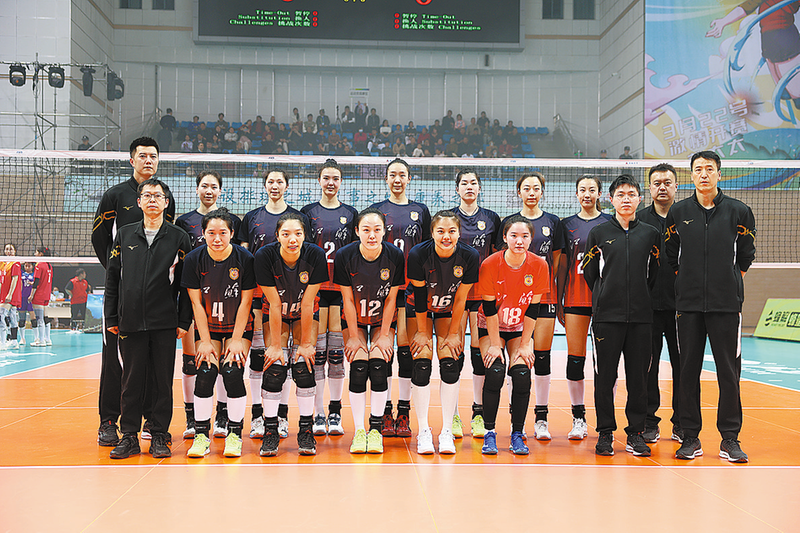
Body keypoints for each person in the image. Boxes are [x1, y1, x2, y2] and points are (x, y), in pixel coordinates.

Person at [666, 150, 756, 463]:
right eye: (698, 169)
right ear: (691, 175)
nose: (703, 174)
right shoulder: (678, 212)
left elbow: (745, 256)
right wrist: (689, 283)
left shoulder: (739, 212)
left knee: (728, 373)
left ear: (719, 173)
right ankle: (690, 437)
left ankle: (730, 439)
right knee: (687, 372)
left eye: (709, 169)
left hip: (726, 307)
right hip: (688, 307)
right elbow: (671, 255)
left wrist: (726, 283)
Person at [92, 136, 176, 447]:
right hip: (124, 296)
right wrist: (121, 276)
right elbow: (100, 238)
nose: (148, 160)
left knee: (153, 361)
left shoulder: (165, 196)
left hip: (156, 299)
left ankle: (151, 423)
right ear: (132, 160)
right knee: (115, 359)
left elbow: (168, 241)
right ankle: (108, 421)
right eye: (142, 156)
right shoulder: (115, 196)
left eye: (153, 156)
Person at [105, 178, 192, 459]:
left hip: (164, 322)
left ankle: (159, 434)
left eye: (158, 195)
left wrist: (183, 321)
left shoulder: (179, 237)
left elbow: (186, 284)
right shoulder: (125, 235)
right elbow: (113, 278)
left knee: (161, 381)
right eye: (147, 195)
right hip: (130, 321)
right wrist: (111, 315)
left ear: (166, 203)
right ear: (139, 202)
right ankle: (129, 435)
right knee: (130, 380)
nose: (152, 199)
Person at [582, 175, 661, 457]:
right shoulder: (598, 233)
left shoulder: (651, 234)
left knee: (639, 379)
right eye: (620, 195)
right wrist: (605, 296)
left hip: (641, 318)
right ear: (611, 199)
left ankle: (636, 433)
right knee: (605, 378)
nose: (626, 199)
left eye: (631, 194)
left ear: (640, 199)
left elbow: (654, 274)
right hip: (607, 318)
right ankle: (605, 432)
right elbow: (591, 273)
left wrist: (640, 297)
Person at [238, 169, 311, 440]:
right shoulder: (252, 217)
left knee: (287, 359)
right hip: (261, 295)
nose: (275, 185)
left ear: (287, 186)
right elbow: (244, 253)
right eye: (270, 181)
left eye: (280, 181)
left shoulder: (298, 218)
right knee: (262, 357)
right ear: (265, 185)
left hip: (292, 295)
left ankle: (281, 415)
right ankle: (258, 415)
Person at [183, 209, 256, 458]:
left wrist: (236, 340)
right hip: (209, 327)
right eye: (211, 233)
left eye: (223, 233)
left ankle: (234, 435)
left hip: (238, 326)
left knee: (232, 372)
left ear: (232, 233)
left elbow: (246, 302)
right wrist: (204, 341)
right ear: (203, 233)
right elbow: (196, 303)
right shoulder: (194, 259)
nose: (217, 238)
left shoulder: (245, 258)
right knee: (204, 373)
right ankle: (201, 435)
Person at [175, 170, 243, 440]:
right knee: (194, 362)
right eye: (204, 186)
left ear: (220, 191)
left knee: (229, 366)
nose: (209, 190)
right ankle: (192, 417)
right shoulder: (184, 222)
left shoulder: (232, 222)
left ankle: (224, 415)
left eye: (214, 186)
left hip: (227, 297)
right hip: (194, 295)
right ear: (197, 189)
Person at [254, 213, 328, 456]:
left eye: (297, 234)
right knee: (274, 367)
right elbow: (274, 304)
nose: (292, 239)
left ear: (305, 236)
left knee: (305, 365)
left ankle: (306, 430)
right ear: (277, 236)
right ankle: (271, 431)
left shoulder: (315, 255)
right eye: (286, 234)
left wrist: (306, 344)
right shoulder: (265, 256)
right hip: (276, 311)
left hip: (303, 311)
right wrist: (275, 346)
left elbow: (307, 303)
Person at [407, 211, 479, 455]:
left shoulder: (469, 256)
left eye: (451, 231)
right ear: (432, 233)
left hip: (448, 308)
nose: (446, 236)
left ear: (459, 233)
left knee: (450, 362)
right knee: (422, 361)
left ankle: (447, 429)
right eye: (440, 231)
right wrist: (422, 332)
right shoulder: (418, 254)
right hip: (420, 308)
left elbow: (461, 299)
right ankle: (423, 430)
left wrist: (454, 333)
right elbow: (419, 297)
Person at [334, 208, 405, 453]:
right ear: (357, 231)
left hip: (380, 319)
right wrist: (354, 337)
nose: (371, 235)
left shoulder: (394, 255)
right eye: (366, 230)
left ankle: (375, 429)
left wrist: (384, 336)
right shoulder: (345, 255)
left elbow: (392, 299)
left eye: (377, 230)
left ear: (385, 232)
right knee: (358, 367)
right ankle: (359, 431)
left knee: (378, 365)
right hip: (354, 317)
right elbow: (347, 299)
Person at [370, 158, 432, 438]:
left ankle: (403, 413)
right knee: (383, 352)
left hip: (411, 290)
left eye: (402, 175)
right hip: (382, 290)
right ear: (386, 179)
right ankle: (384, 412)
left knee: (407, 354)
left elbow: (428, 249)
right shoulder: (376, 211)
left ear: (409, 179)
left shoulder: (421, 211)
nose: (397, 179)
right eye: (392, 175)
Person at [477, 216, 549, 455]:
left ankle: (517, 433)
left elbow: (534, 309)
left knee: (521, 374)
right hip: (492, 326)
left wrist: (526, 344)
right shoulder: (490, 264)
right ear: (505, 237)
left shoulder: (539, 265)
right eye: (514, 236)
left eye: (525, 236)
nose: (519, 241)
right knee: (495, 371)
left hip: (519, 328)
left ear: (531, 238)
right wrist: (495, 344)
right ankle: (489, 432)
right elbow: (489, 309)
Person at [501, 173, 565, 441]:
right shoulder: (509, 222)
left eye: (536, 188)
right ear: (519, 192)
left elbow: (557, 262)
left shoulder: (553, 222)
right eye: (526, 188)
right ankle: (515, 417)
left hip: (544, 298)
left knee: (541, 355)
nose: (531, 192)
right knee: (517, 359)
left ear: (542, 192)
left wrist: (550, 291)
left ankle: (541, 417)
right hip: (515, 301)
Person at [301, 159, 358, 437]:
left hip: (341, 289)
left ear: (341, 182)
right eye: (326, 178)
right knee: (317, 354)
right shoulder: (307, 212)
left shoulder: (351, 213)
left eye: (335, 178)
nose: (331, 182)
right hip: (315, 288)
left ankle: (335, 411)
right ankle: (318, 412)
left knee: (336, 354)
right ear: (319, 181)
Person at [557, 175, 613, 441]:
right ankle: (578, 417)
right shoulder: (566, 225)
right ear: (576, 194)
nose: (587, 194)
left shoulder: (611, 222)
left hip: (605, 301)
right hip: (575, 299)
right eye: (582, 189)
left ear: (600, 194)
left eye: (592, 189)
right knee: (575, 359)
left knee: (605, 363)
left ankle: (606, 420)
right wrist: (559, 299)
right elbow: (562, 266)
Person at [452, 169, 502, 438]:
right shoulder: (449, 217)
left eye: (473, 183)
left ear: (479, 188)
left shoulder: (491, 218)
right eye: (464, 183)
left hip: (483, 295)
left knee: (478, 354)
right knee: (454, 352)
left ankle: (478, 412)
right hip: (455, 293)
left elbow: (497, 258)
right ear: (457, 189)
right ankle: (453, 413)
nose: (469, 186)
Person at [637, 163, 682, 443]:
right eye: (657, 183)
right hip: (648, 308)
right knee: (647, 368)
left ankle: (682, 423)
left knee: (683, 368)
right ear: (650, 188)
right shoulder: (639, 220)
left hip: (682, 309)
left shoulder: (687, 217)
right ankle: (648, 421)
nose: (662, 187)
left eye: (667, 182)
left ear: (676, 186)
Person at [29, 246, 53, 347]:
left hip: (39, 295)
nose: (35, 254)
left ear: (41, 254)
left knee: (39, 319)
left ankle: (41, 341)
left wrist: (31, 295)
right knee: (45, 318)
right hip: (46, 295)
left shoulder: (39, 265)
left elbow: (37, 281)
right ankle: (48, 340)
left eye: (36, 252)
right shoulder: (49, 265)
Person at [1, 243, 21, 349]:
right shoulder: (3, 263)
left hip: (11, 294)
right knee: (12, 317)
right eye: (7, 249)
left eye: (11, 249)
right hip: (4, 294)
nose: (9, 251)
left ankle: (2, 342)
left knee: (1, 316)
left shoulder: (15, 263)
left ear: (15, 251)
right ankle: (14, 341)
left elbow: (15, 279)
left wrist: (10, 294)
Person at [16, 262, 36, 346]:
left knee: (33, 318)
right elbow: (16, 265)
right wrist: (23, 261)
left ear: (32, 266)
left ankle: (36, 338)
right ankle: (22, 338)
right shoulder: (21, 273)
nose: (27, 267)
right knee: (21, 319)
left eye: (29, 266)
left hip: (31, 298)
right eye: (26, 266)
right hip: (22, 298)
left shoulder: (35, 274)